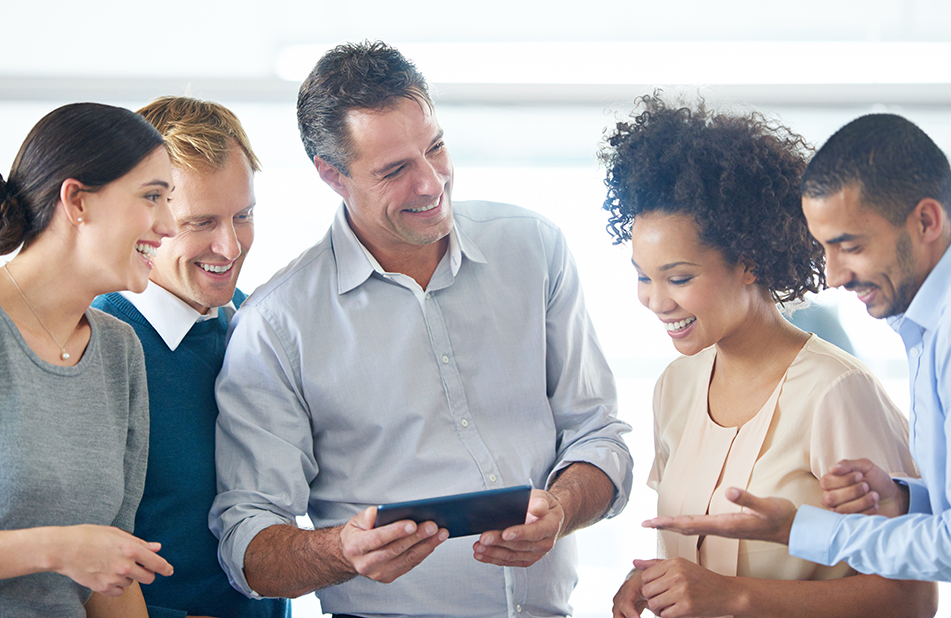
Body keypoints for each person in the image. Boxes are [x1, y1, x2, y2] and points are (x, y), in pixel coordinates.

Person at [209, 40, 634, 617]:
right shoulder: (275, 324)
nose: (432, 183)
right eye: (395, 170)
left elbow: (600, 437)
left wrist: (560, 509)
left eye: (435, 148)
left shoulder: (534, 249)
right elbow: (248, 544)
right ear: (332, 175)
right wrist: (342, 550)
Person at [602, 96, 937, 618]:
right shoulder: (675, 385)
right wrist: (656, 579)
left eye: (679, 277)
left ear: (749, 263)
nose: (656, 300)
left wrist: (735, 598)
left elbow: (911, 599)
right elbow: (695, 552)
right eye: (643, 276)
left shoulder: (835, 391)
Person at [0, 102, 176, 616]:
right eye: (152, 197)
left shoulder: (120, 351)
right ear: (76, 201)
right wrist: (57, 549)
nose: (167, 224)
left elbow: (109, 575)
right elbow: (83, 554)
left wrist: (89, 554)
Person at [93, 97, 290, 618]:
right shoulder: (97, 343)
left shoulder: (255, 320)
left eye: (243, 216)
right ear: (144, 217)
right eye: (200, 223)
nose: (230, 247)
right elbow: (75, 556)